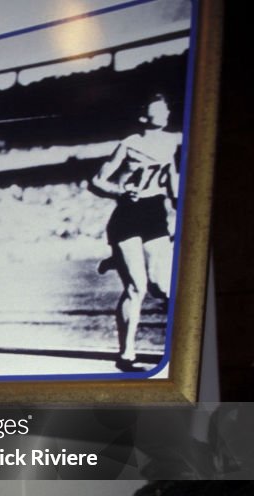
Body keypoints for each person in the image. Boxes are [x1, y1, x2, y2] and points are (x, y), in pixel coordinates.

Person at [91, 94, 178, 371]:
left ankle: (118, 260)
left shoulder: (175, 140)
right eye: (159, 108)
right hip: (127, 216)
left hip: (155, 214)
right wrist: (120, 191)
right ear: (144, 117)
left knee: (161, 286)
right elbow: (96, 181)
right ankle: (126, 355)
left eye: (167, 107)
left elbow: (173, 177)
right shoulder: (130, 144)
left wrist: (180, 205)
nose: (166, 111)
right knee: (136, 288)